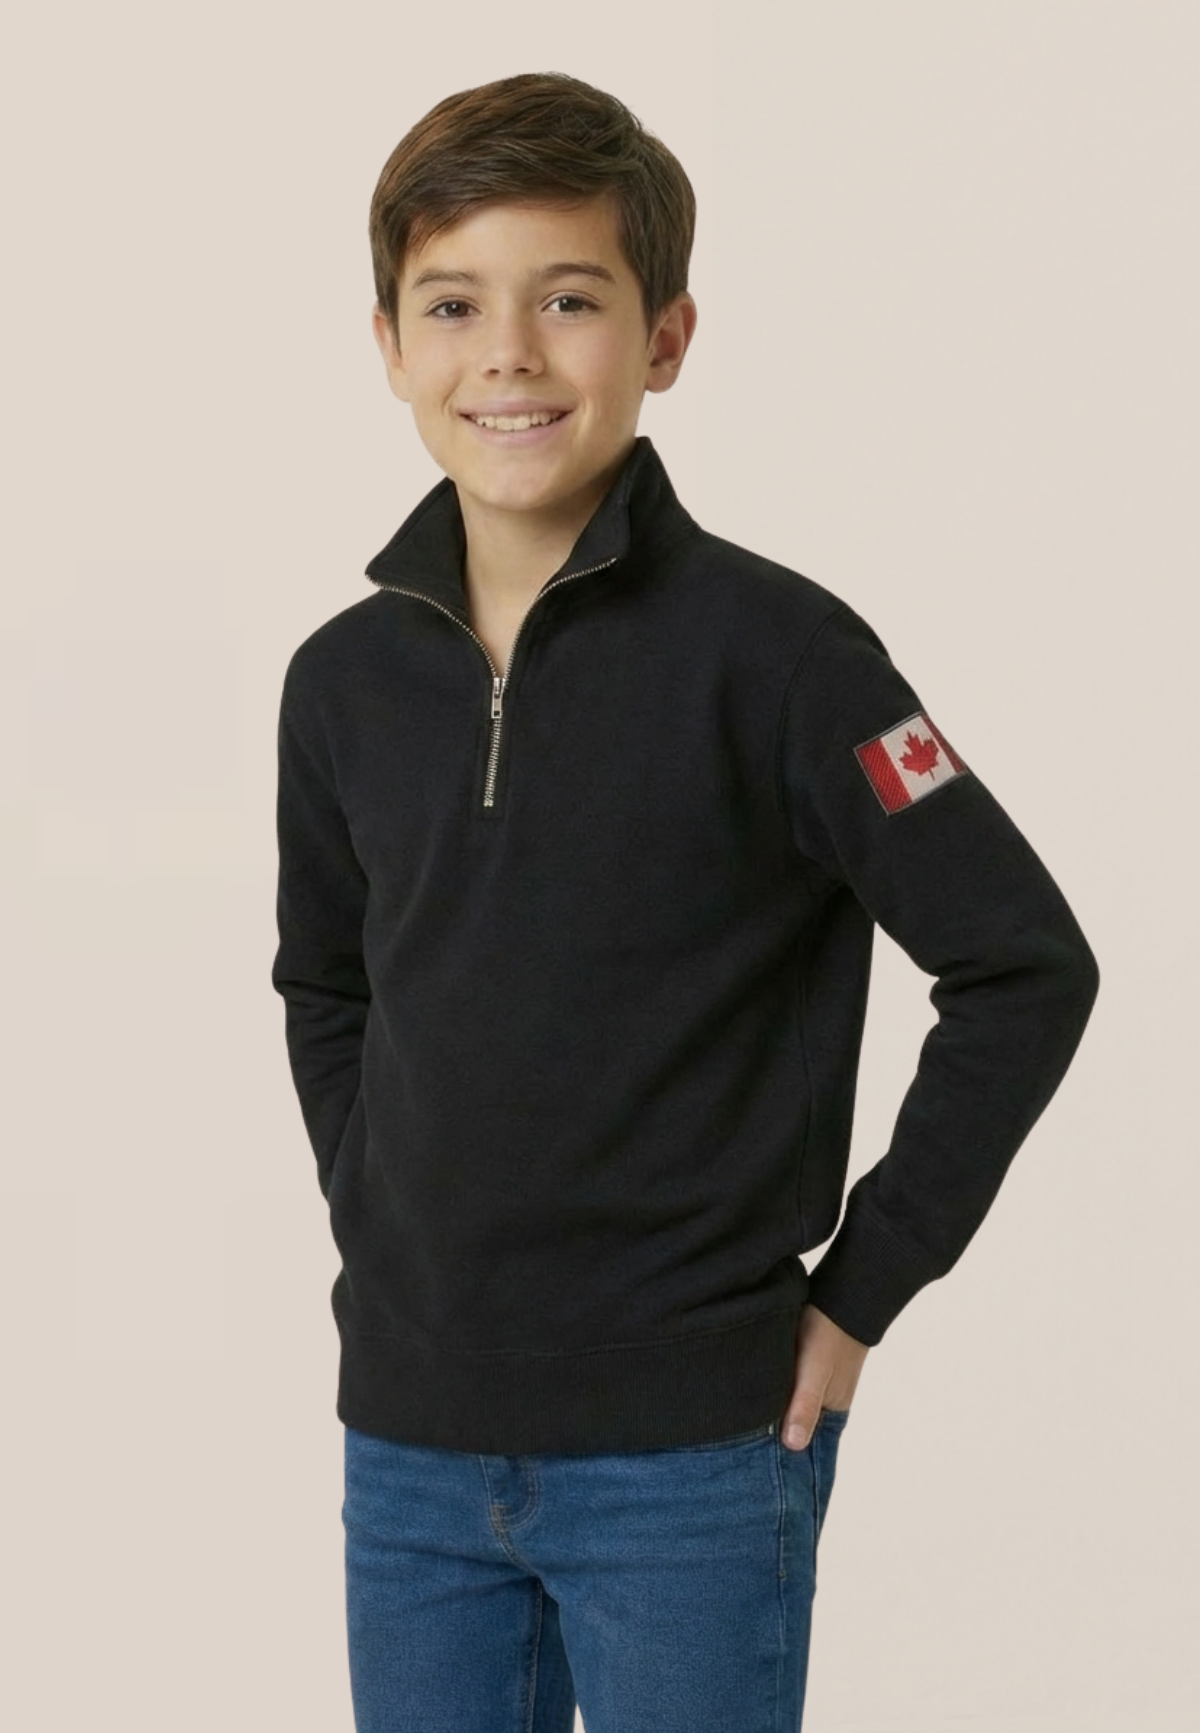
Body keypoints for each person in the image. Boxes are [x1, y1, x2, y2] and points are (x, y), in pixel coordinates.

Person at [271, 70, 1099, 1733]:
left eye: (569, 299)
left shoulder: (784, 660)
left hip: (690, 1462)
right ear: (389, 346)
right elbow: (329, 986)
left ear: (664, 337)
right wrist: (383, 1220)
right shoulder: (343, 684)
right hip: (413, 1454)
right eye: (454, 305)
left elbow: (1024, 966)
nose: (507, 353)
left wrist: (861, 1290)